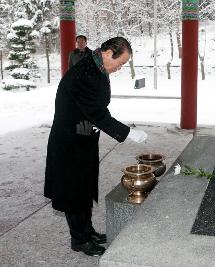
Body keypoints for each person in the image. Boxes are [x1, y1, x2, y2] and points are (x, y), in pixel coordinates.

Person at [44, 37, 147, 257]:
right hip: (70, 141)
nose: (120, 68)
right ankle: (79, 239)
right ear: (109, 52)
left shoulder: (96, 67)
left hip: (84, 134)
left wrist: (95, 124)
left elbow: (96, 108)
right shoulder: (85, 73)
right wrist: (128, 132)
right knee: (74, 191)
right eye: (120, 63)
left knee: (85, 186)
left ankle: (88, 231)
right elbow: (98, 112)